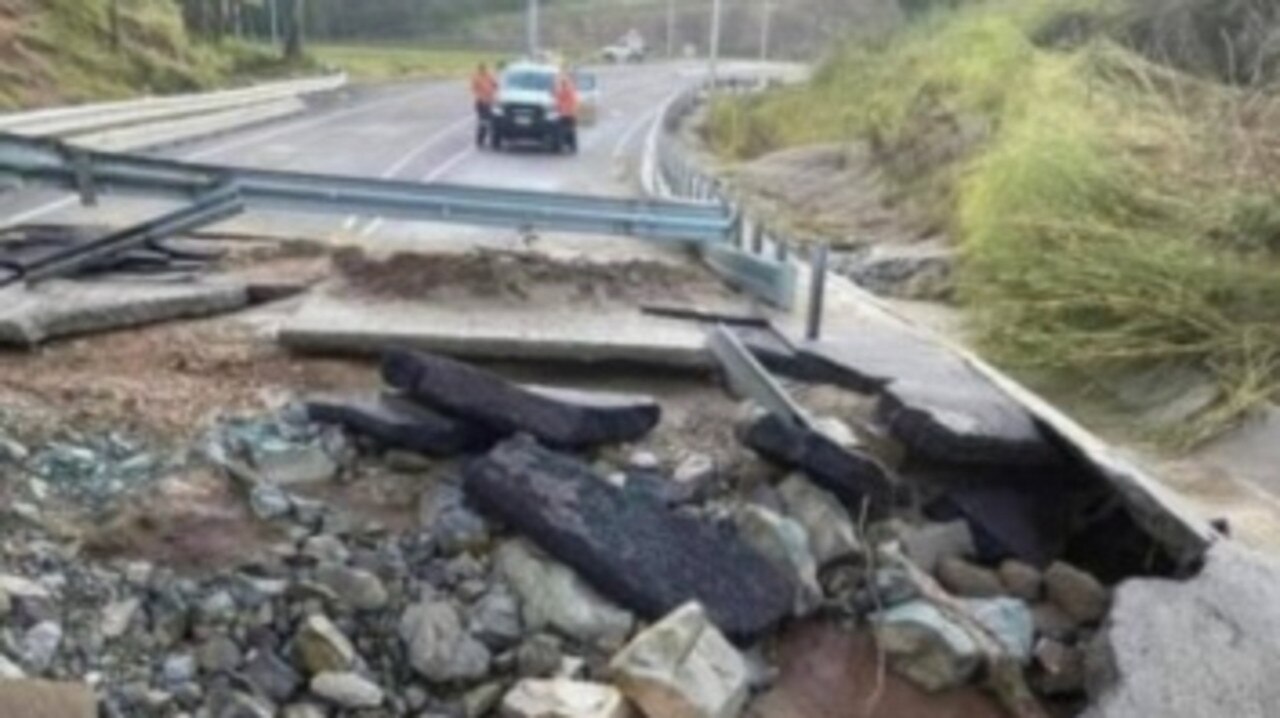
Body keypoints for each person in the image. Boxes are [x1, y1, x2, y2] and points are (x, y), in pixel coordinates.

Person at [471, 63, 498, 147]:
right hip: (481, 102)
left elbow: (495, 85)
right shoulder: (477, 77)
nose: (483, 71)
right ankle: (480, 140)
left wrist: (492, 94)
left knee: (490, 122)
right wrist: (482, 98)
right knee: (483, 121)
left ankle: (490, 140)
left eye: (483, 69)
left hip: (489, 102)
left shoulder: (489, 76)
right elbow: (475, 89)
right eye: (481, 70)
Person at [554, 71, 579, 153]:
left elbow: (558, 102)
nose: (563, 84)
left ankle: (568, 146)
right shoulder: (568, 90)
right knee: (568, 131)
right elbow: (558, 101)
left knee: (566, 131)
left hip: (566, 114)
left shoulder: (565, 91)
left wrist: (560, 109)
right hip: (567, 114)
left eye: (563, 82)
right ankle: (570, 146)